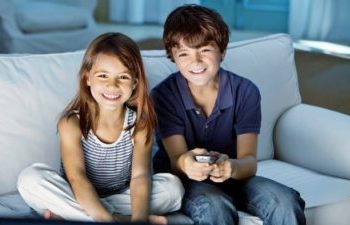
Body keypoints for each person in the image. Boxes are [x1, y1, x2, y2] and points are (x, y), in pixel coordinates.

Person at [151, 4, 306, 225]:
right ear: (173, 57)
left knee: (284, 200)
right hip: (186, 181)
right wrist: (188, 164)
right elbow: (177, 161)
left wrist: (230, 167)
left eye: (204, 50)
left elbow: (248, 163)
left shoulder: (245, 91)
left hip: (233, 176)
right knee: (214, 204)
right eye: (184, 53)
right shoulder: (164, 96)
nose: (195, 61)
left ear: (221, 51)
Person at [17, 32, 184, 224]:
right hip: (77, 192)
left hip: (119, 196)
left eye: (122, 77)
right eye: (103, 75)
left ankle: (72, 215)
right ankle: (115, 219)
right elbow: (77, 178)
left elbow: (140, 177)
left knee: (173, 189)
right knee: (30, 179)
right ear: (88, 78)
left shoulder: (140, 124)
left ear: (135, 83)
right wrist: (108, 219)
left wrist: (139, 219)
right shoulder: (72, 123)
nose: (111, 85)